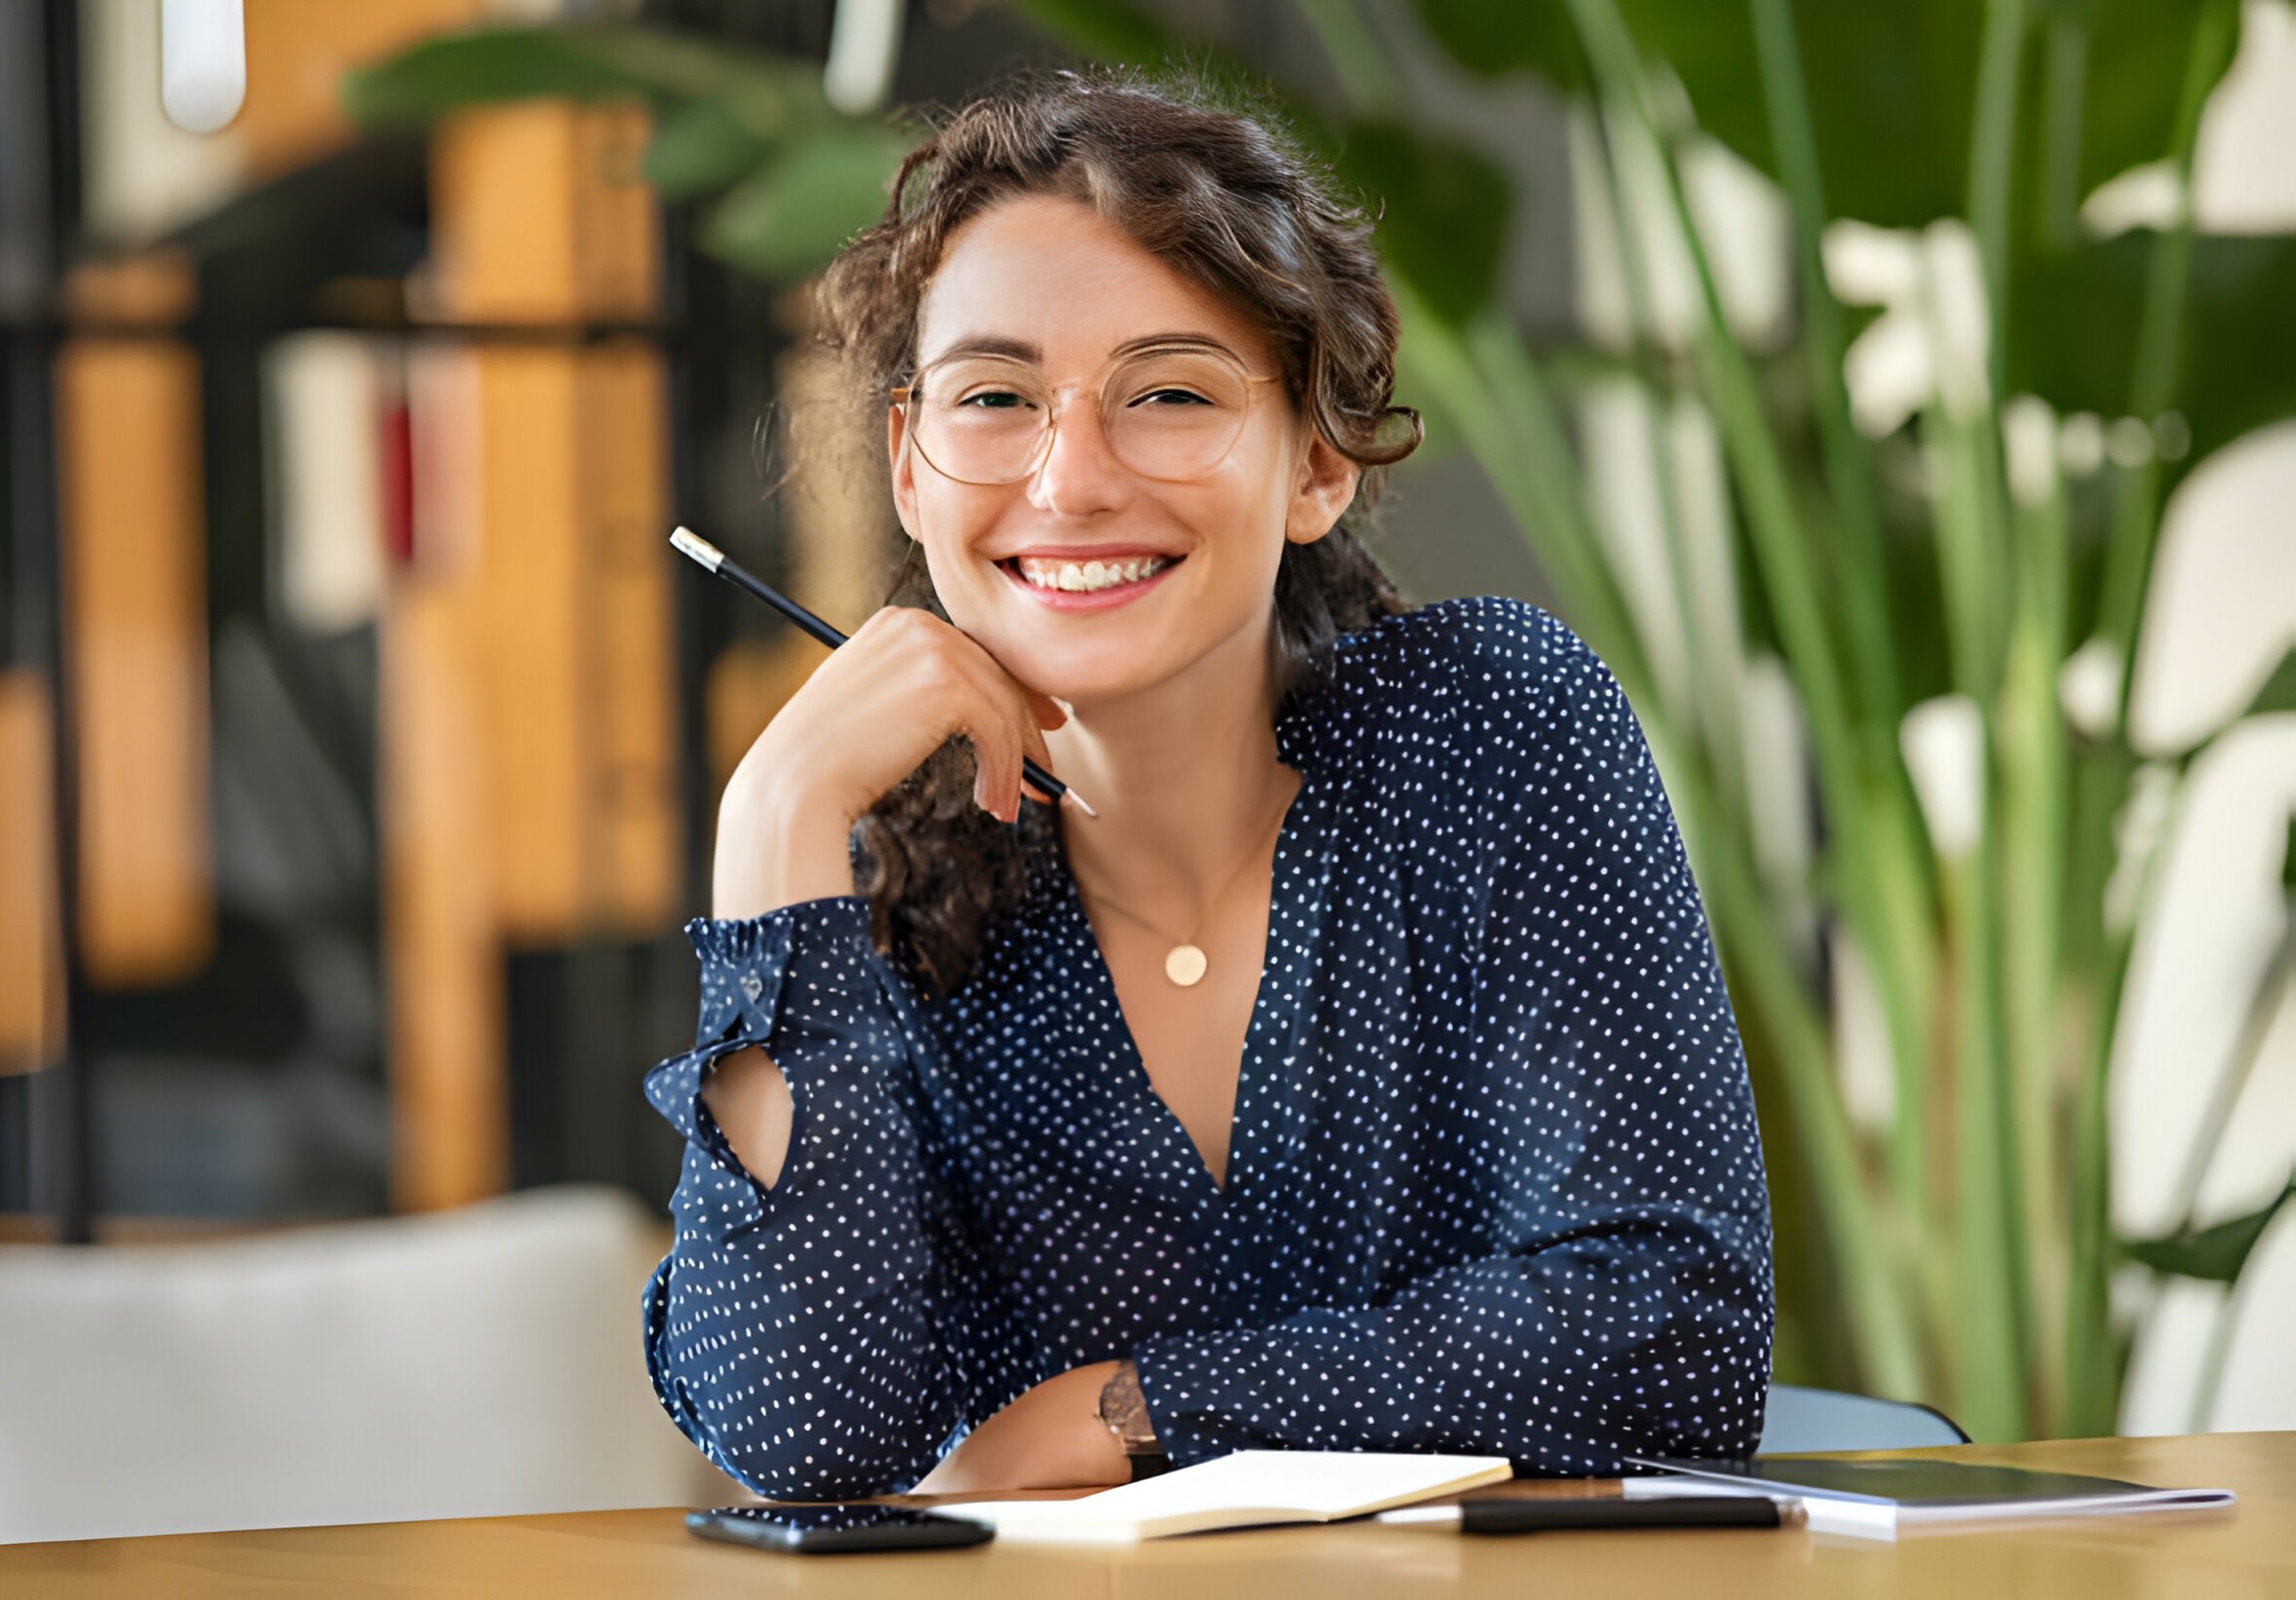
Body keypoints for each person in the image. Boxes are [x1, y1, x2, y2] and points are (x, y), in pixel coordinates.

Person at [641, 65, 1772, 1502]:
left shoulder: (1486, 730)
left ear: (1314, 461)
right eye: (994, 397)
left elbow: (1673, 1333)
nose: (1070, 480)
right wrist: (774, 819)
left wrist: (1128, 1410)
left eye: (1168, 393)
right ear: (910, 467)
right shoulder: (859, 912)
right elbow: (803, 1441)